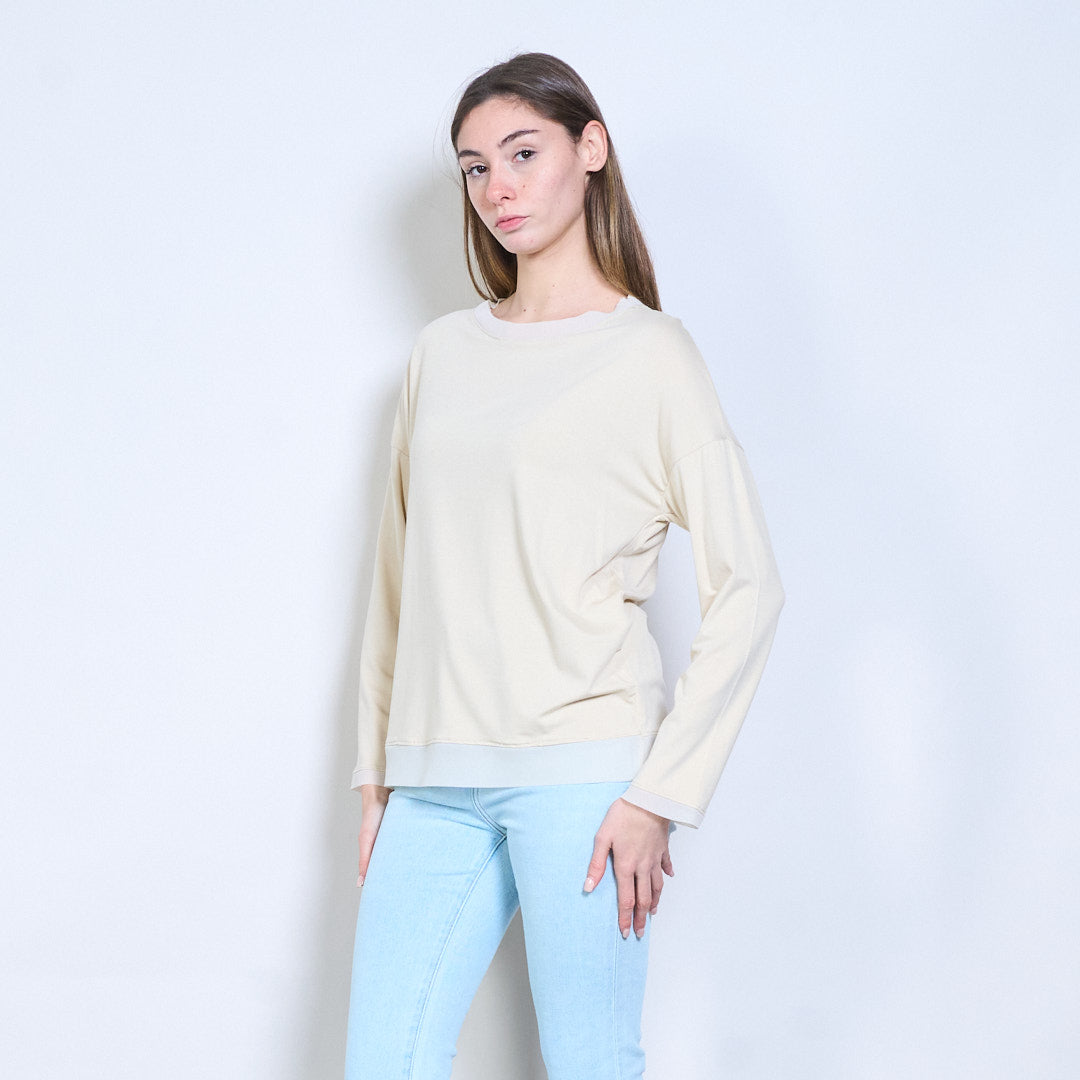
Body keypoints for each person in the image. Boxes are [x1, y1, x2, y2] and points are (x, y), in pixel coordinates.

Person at [343, 51, 785, 1080]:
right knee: (383, 1061)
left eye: (522, 153)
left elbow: (751, 585)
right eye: (474, 167)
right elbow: (398, 581)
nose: (496, 187)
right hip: (433, 780)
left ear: (591, 149)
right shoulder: (441, 355)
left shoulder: (653, 355)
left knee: (590, 1063)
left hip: (586, 782)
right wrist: (377, 776)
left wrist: (659, 795)